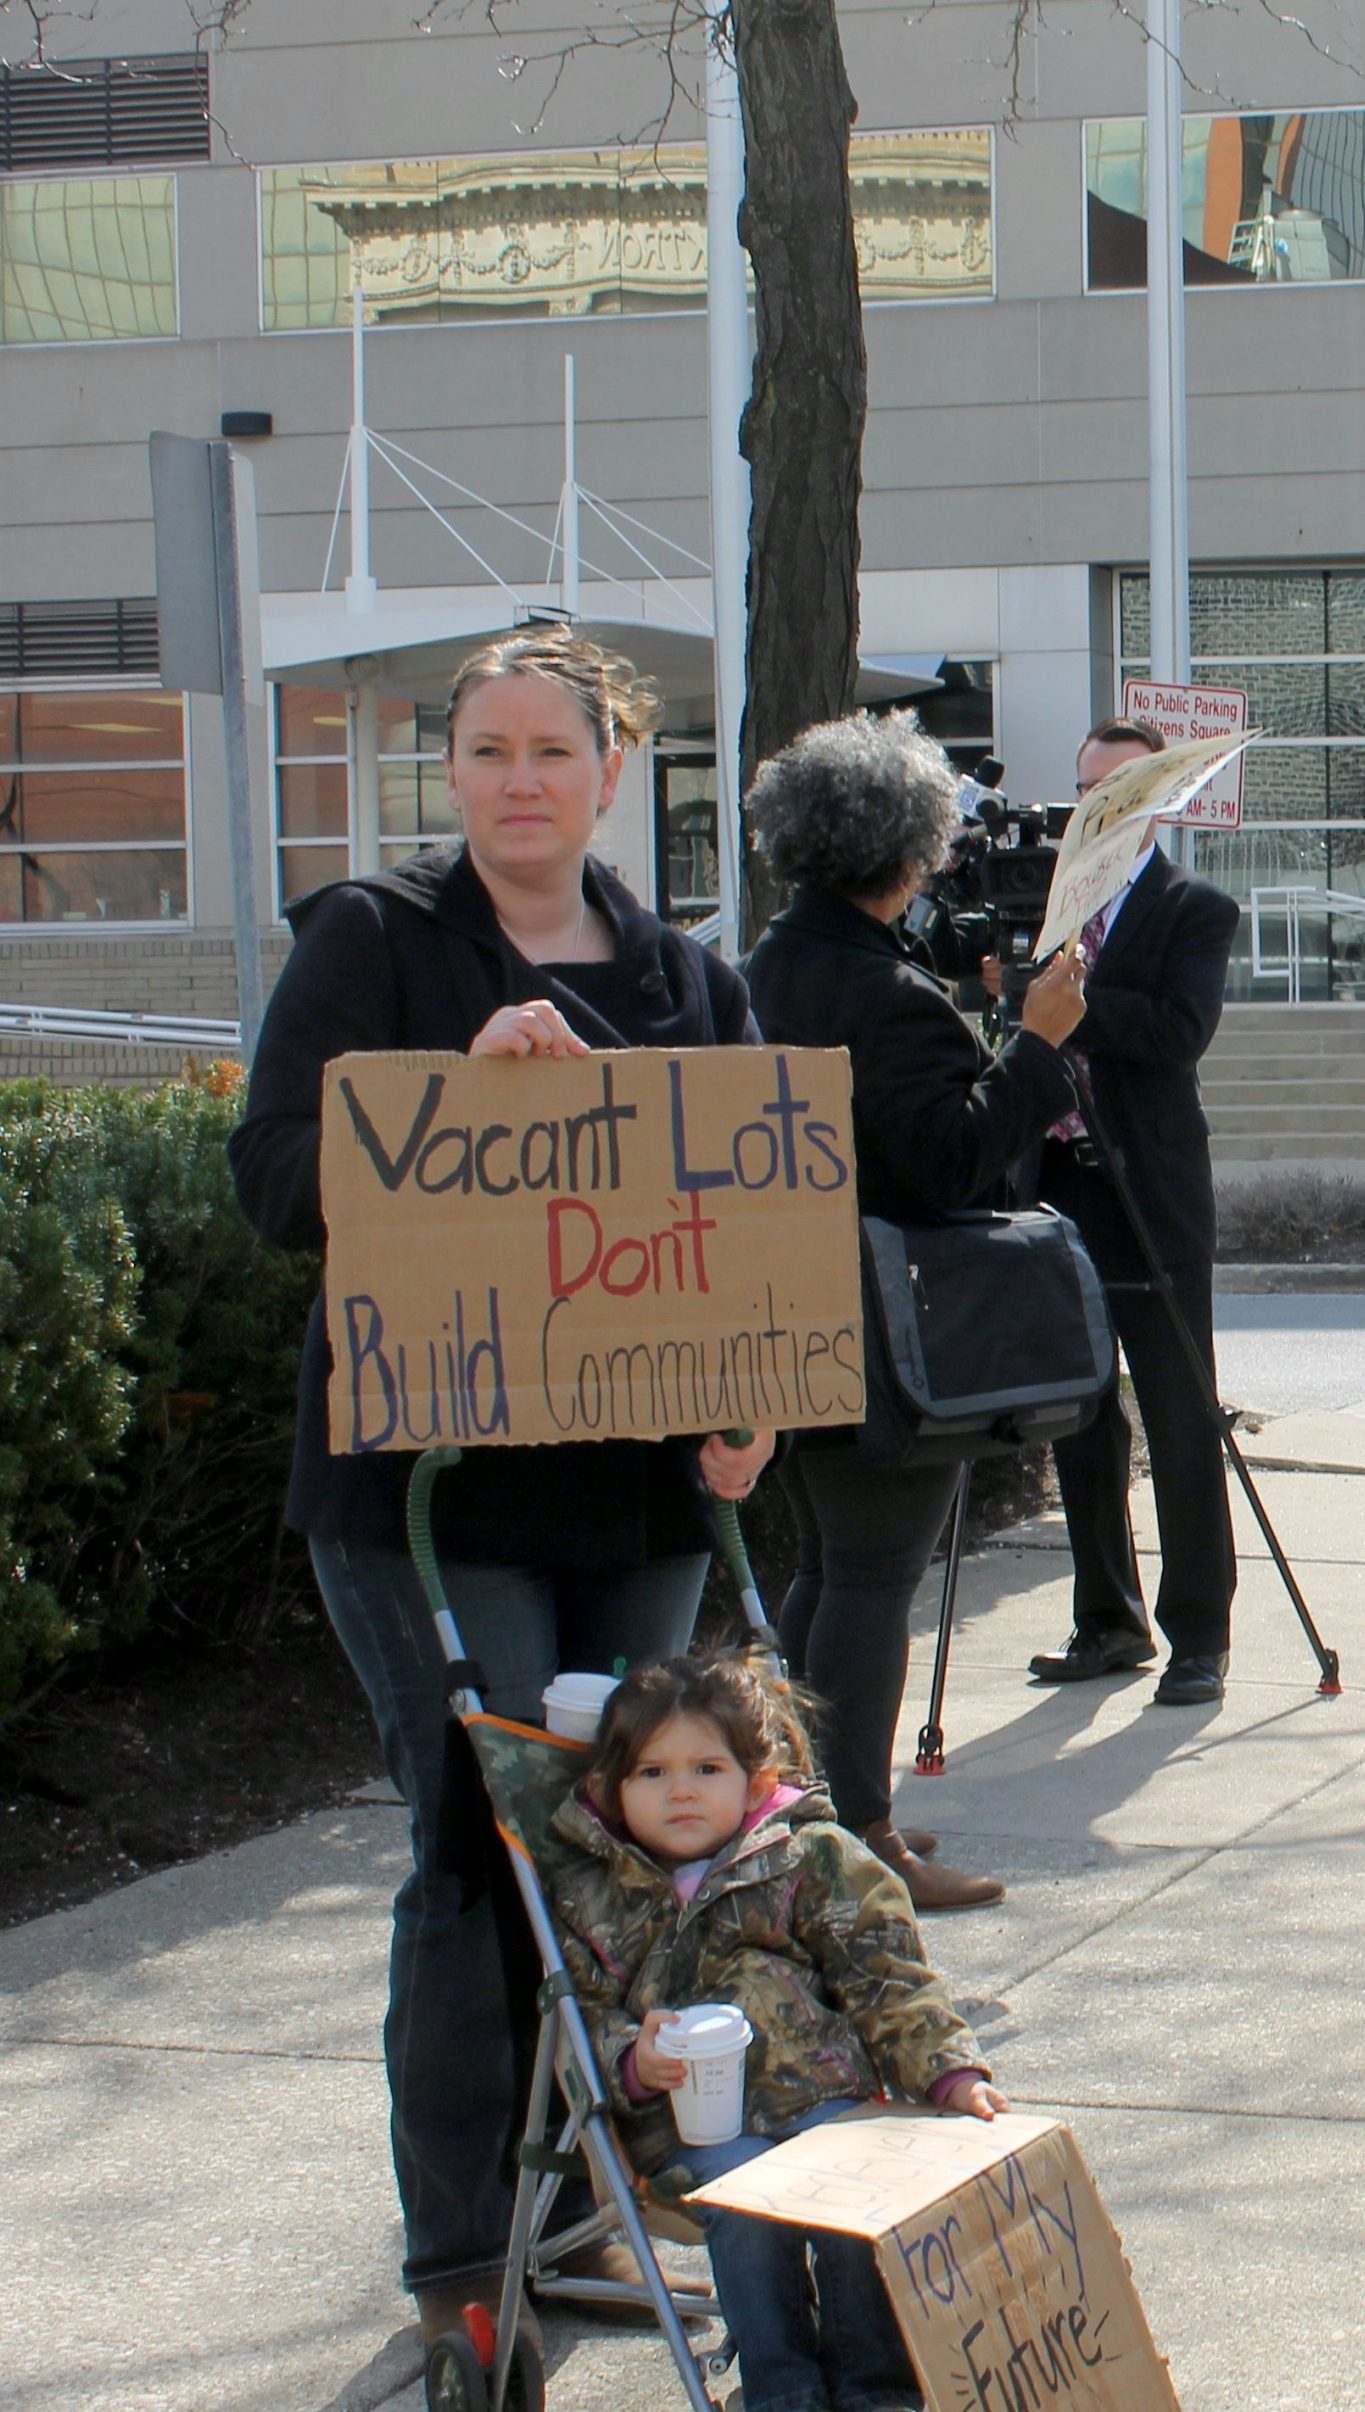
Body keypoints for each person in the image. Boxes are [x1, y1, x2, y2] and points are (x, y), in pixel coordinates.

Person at [226, 629, 775, 2338]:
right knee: (480, 1850)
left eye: (554, 749)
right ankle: (466, 2256)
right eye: (487, 751)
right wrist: (450, 1099)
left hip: (635, 1493)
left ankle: (582, 2206)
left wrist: (751, 1403)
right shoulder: (375, 944)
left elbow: (751, 1218)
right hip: (432, 1486)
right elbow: (274, 1185)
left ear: (613, 769)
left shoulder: (689, 977)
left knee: (628, 1847)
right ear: (448, 771)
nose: (519, 778)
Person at [744, 710, 1090, 1911]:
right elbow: (955, 1164)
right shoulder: (881, 994)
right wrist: (1037, 1048)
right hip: (885, 1335)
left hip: (792, 1312)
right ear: (910, 849)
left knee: (830, 1571)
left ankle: (796, 1815)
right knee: (872, 1577)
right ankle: (854, 1837)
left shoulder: (769, 966)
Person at [555, 1651, 1005, 2412]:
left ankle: (875, 2386)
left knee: (854, 2198)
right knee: (749, 2208)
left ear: (757, 1780)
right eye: (652, 1775)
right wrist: (633, 2059)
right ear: (612, 1789)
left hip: (824, 2095)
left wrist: (948, 2071)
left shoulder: (809, 1858)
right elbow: (585, 2017)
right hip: (696, 2126)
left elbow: (887, 1975)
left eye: (706, 1768)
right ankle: (781, 2388)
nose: (682, 1793)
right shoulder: (597, 1892)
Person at [1027, 717, 1245, 1708]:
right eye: (1085, 788)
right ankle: (1105, 1622)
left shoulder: (1194, 907)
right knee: (1079, 1416)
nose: (1096, 805)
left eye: (1116, 787)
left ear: (1157, 798)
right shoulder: (1043, 910)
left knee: (1178, 1410)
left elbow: (1176, 1032)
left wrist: (1069, 1008)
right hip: (1059, 1186)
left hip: (1151, 1190)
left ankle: (1198, 1632)